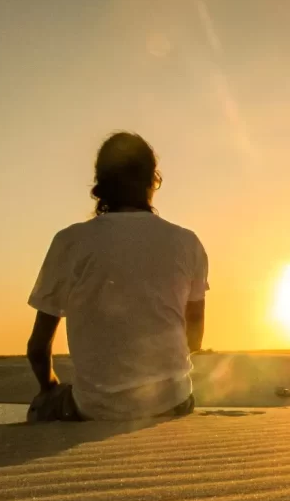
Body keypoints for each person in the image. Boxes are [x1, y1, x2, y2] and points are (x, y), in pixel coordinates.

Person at [25, 132, 208, 421]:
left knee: (40, 410)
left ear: (100, 184)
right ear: (153, 180)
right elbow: (194, 339)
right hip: (173, 402)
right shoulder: (188, 242)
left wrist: (48, 387)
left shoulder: (69, 241)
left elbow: (38, 347)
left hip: (94, 408)